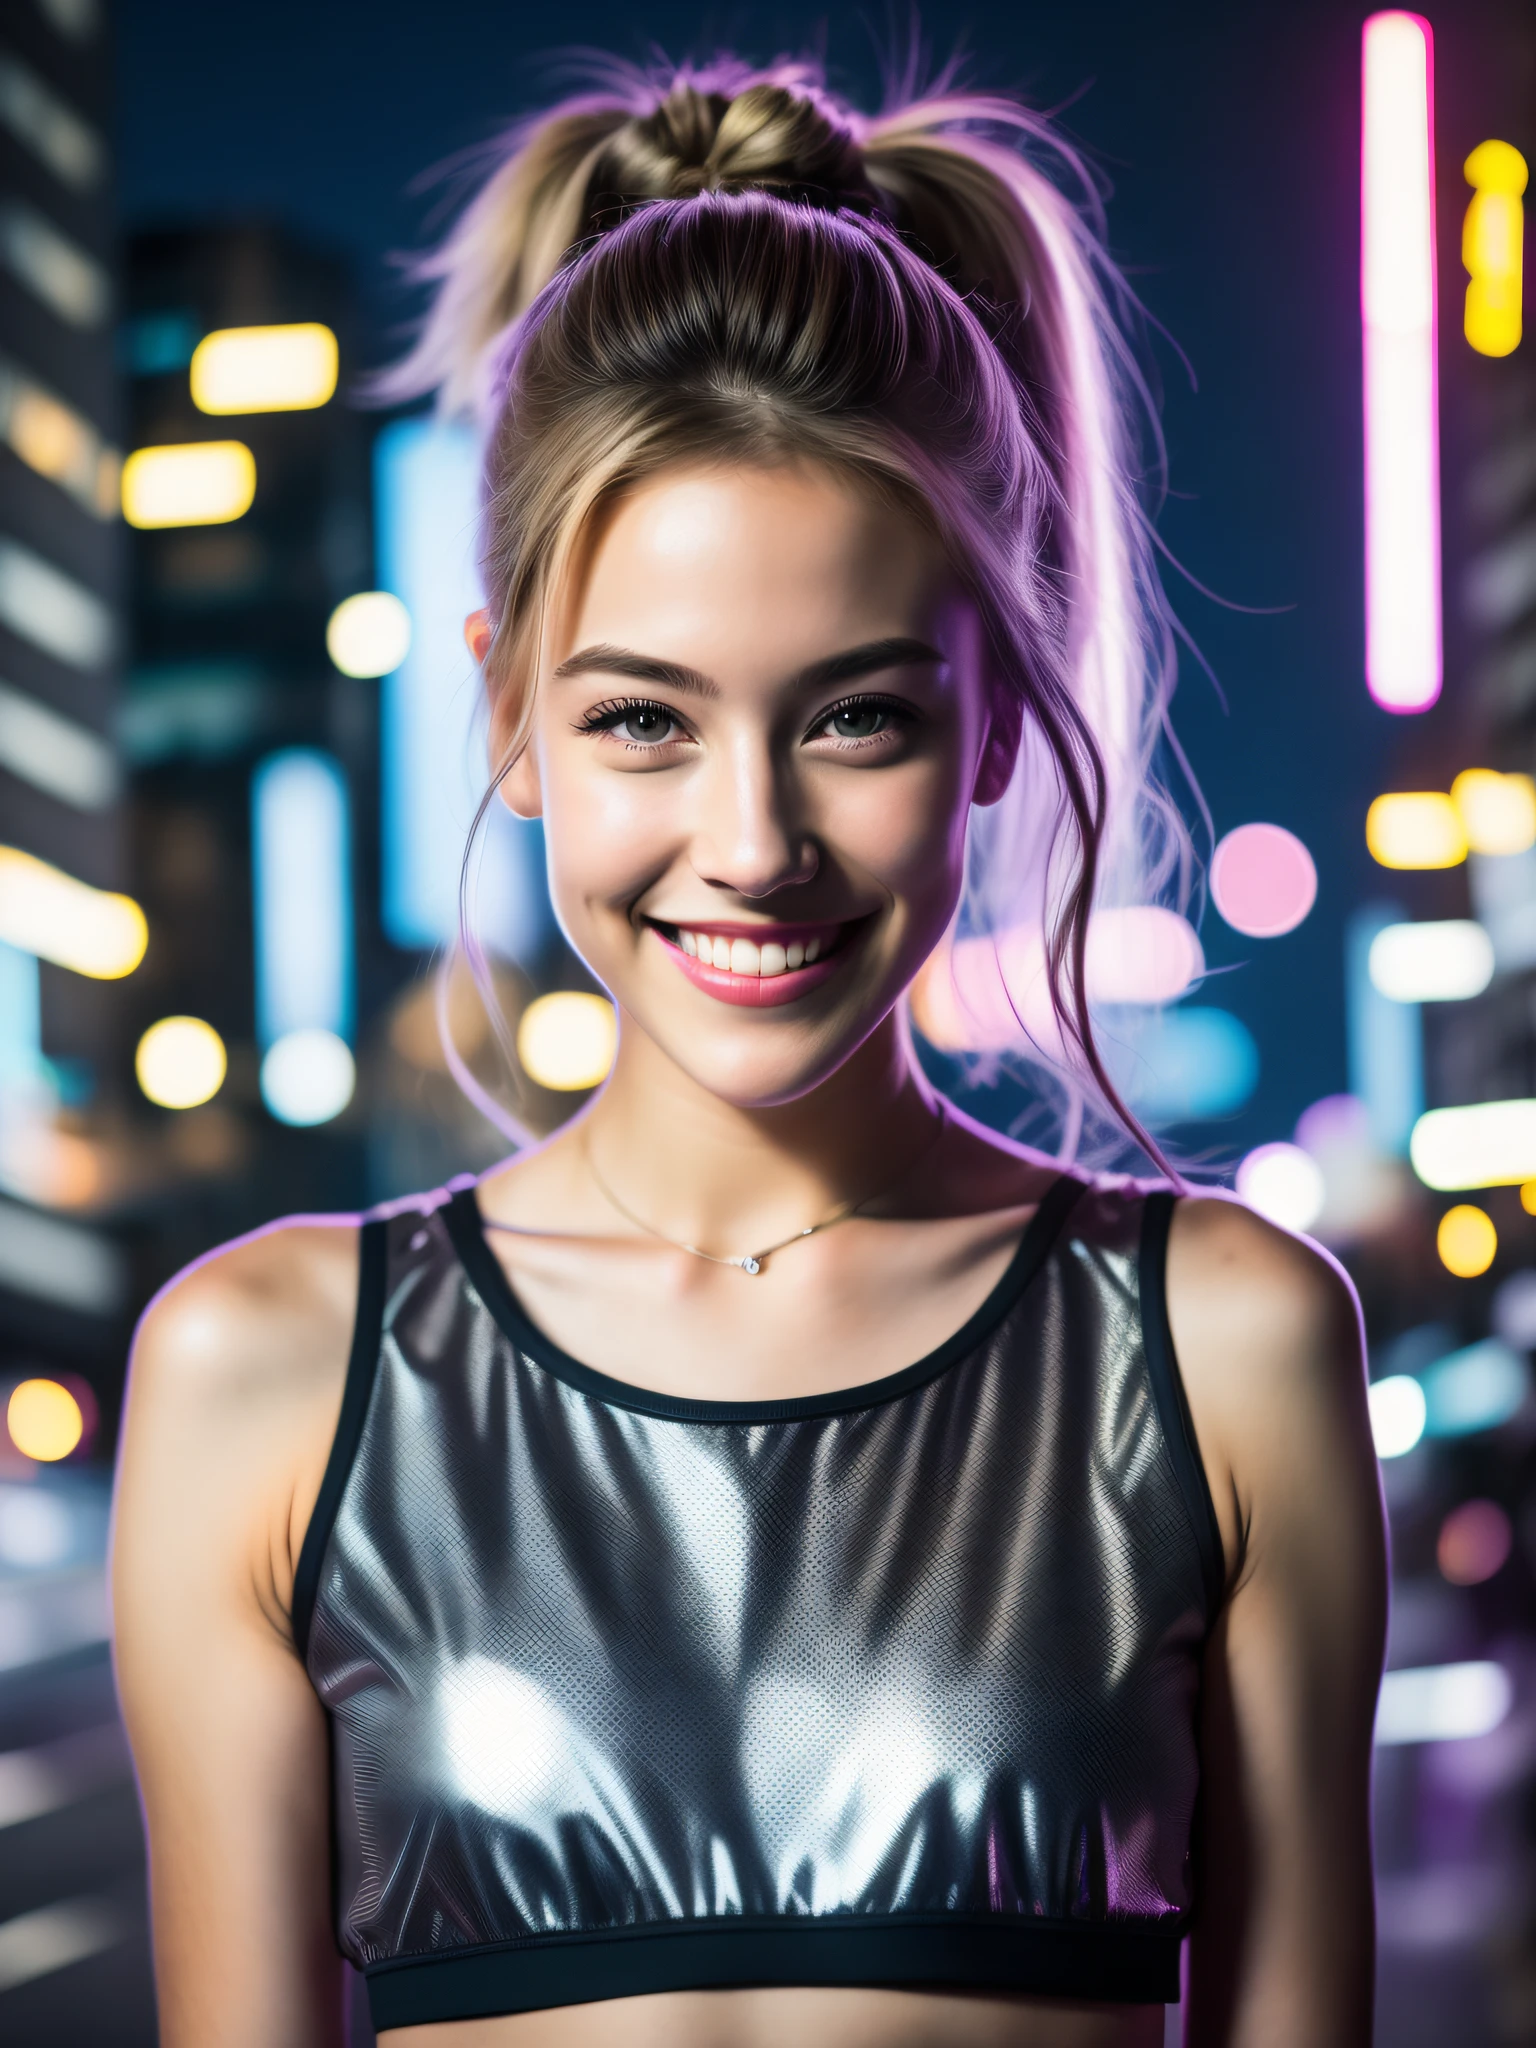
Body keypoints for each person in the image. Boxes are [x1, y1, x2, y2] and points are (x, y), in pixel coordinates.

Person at [112, 61, 1387, 2048]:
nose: (753, 840)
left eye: (856, 717)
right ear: (510, 718)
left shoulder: (1222, 1347)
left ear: (993, 711)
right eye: (641, 721)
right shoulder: (260, 1379)